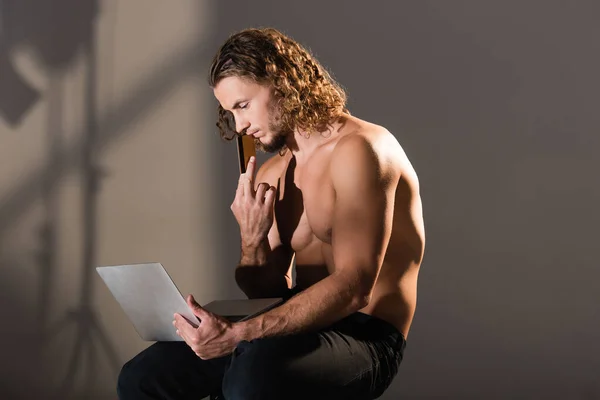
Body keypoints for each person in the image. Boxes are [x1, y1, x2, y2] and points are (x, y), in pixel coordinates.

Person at [117, 27, 425, 400]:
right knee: (142, 378)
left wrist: (238, 336)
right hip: (295, 327)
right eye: (230, 112)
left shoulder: (361, 150)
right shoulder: (274, 172)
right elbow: (268, 291)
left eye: (243, 106)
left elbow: (355, 288)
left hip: (365, 335)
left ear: (281, 81)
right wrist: (252, 240)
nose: (240, 125)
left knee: (250, 375)